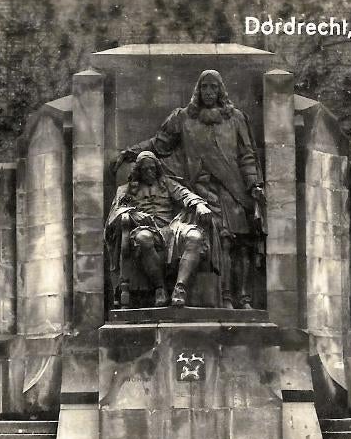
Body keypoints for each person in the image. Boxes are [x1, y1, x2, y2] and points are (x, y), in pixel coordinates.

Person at [118, 69, 265, 309]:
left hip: (234, 190)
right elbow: (159, 144)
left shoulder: (236, 118)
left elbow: (247, 155)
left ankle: (244, 296)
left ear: (221, 91)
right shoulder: (183, 118)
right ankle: (225, 296)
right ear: (198, 90)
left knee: (241, 243)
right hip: (202, 191)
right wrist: (130, 152)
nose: (209, 92)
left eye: (214, 87)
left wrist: (254, 185)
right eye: (205, 87)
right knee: (222, 242)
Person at [106, 151, 212, 308]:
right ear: (138, 171)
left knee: (195, 236)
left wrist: (200, 205)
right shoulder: (130, 190)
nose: (150, 172)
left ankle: (179, 288)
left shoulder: (166, 184)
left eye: (152, 168)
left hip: (172, 228)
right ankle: (160, 288)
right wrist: (134, 213)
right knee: (142, 238)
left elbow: (185, 195)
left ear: (157, 168)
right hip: (148, 230)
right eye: (145, 170)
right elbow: (120, 209)